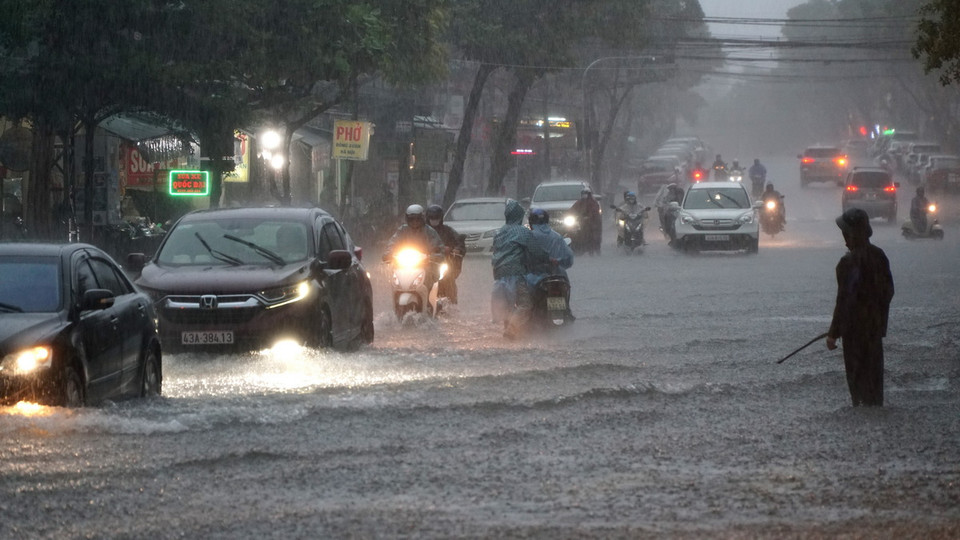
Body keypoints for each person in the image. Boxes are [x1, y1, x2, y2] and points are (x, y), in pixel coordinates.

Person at [826, 208, 895, 407]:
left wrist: (833, 333)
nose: (844, 238)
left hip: (854, 335)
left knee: (857, 387)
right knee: (874, 384)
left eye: (845, 233)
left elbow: (844, 300)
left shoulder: (847, 263)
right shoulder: (879, 256)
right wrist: (875, 315)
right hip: (874, 332)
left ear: (851, 234)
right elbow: (888, 292)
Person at [491, 199, 552, 338]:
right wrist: (547, 258)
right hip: (515, 272)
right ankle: (512, 329)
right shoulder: (522, 232)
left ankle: (509, 330)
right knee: (525, 304)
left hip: (498, 273)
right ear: (519, 216)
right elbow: (536, 251)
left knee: (508, 305)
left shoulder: (500, 232)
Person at [526, 208, 575, 322]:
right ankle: (567, 311)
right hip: (557, 275)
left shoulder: (529, 237)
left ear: (531, 222)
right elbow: (569, 257)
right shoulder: (557, 237)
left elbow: (522, 257)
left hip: (534, 277)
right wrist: (558, 262)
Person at [382, 204, 445, 286]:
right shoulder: (402, 230)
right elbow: (393, 242)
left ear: (422, 218)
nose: (414, 222)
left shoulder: (429, 231)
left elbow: (438, 248)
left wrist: (433, 256)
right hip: (403, 265)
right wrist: (389, 253)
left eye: (417, 219)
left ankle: (429, 297)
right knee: (395, 280)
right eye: (411, 219)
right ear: (407, 219)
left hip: (426, 265)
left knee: (430, 280)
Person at [425, 204, 466, 304]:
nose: (434, 220)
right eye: (432, 218)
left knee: (448, 280)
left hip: (443, 263)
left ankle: (451, 304)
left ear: (441, 218)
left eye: (436, 218)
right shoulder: (421, 231)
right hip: (424, 264)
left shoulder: (448, 231)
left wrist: (457, 249)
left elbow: (459, 242)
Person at [569, 187, 602, 255]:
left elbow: (594, 212)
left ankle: (595, 249)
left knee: (595, 237)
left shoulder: (593, 202)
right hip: (583, 223)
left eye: (586, 193)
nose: (585, 195)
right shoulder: (580, 202)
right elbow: (572, 209)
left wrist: (589, 217)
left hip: (593, 223)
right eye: (583, 193)